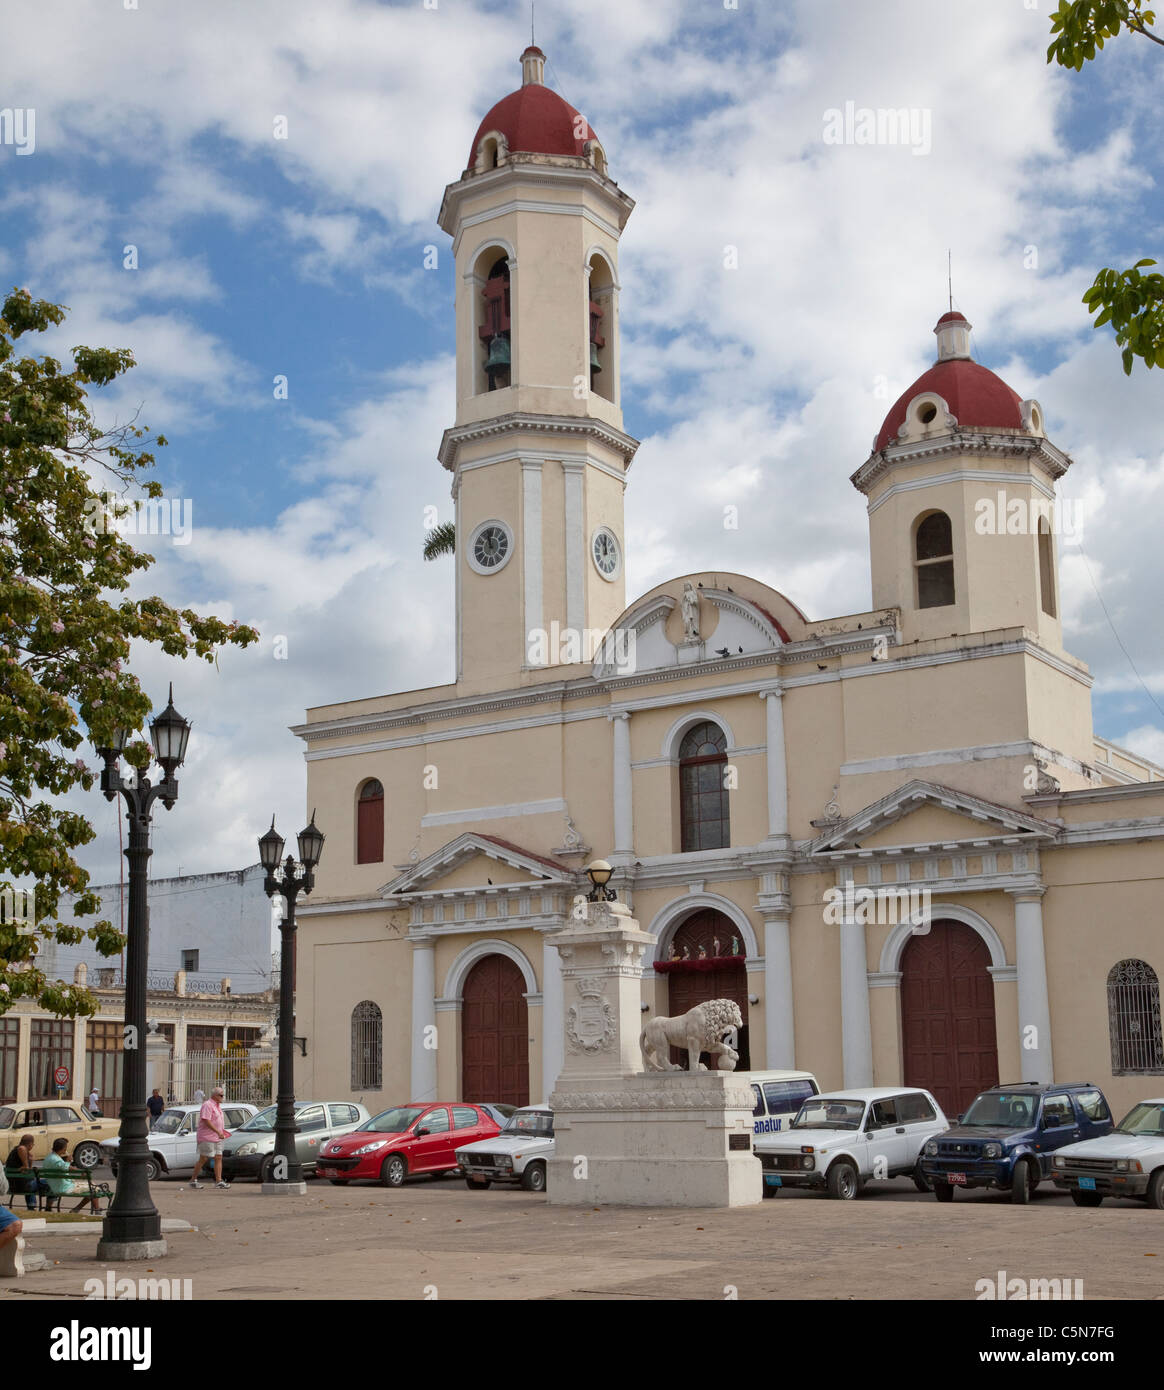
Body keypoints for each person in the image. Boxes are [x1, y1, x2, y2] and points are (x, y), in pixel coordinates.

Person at [41, 1137, 102, 1214]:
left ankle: (78, 1209)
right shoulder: (56, 1160)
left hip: (54, 1186)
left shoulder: (49, 1157)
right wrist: (68, 1161)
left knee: (92, 1185)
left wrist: (78, 1170)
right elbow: (65, 1167)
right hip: (64, 1187)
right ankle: (94, 1210)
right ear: (63, 1148)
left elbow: (64, 1167)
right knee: (94, 1188)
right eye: (65, 1147)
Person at [189, 1086, 230, 1189]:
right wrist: (217, 1131)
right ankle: (193, 1180)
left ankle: (219, 1181)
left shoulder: (217, 1106)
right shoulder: (207, 1105)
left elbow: (217, 1121)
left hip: (217, 1137)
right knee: (203, 1158)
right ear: (215, 1095)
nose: (222, 1097)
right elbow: (206, 1120)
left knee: (218, 1157)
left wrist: (221, 1132)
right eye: (221, 1095)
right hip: (207, 1137)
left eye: (223, 1095)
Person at [5, 1135, 49, 1211]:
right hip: (18, 1185)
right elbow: (26, 1168)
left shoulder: (18, 1149)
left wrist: (30, 1161)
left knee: (33, 1184)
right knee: (49, 1182)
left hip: (16, 1184)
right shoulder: (22, 1148)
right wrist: (26, 1166)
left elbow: (28, 1171)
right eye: (33, 1144)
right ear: (30, 1144)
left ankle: (31, 1207)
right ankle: (48, 1207)